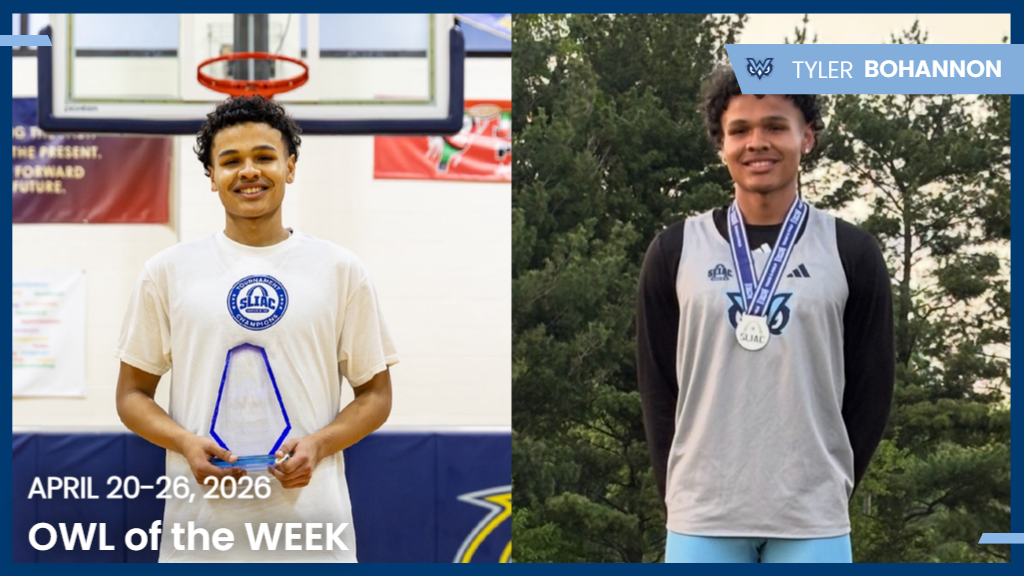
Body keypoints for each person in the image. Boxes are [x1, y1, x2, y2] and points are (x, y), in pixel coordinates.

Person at [115, 95, 398, 562]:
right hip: (203, 538)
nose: (248, 171)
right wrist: (185, 442)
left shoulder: (340, 269)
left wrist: (319, 443)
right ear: (212, 177)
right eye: (230, 161)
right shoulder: (167, 271)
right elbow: (131, 396)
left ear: (289, 167)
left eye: (264, 157)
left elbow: (376, 395)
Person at [636, 68, 895, 563]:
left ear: (807, 136)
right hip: (703, 517)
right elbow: (657, 387)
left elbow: (871, 390)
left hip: (811, 519)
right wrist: (679, 494)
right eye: (740, 130)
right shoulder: (674, 251)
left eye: (776, 126)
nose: (758, 143)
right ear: (721, 143)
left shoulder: (851, 252)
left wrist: (828, 486)